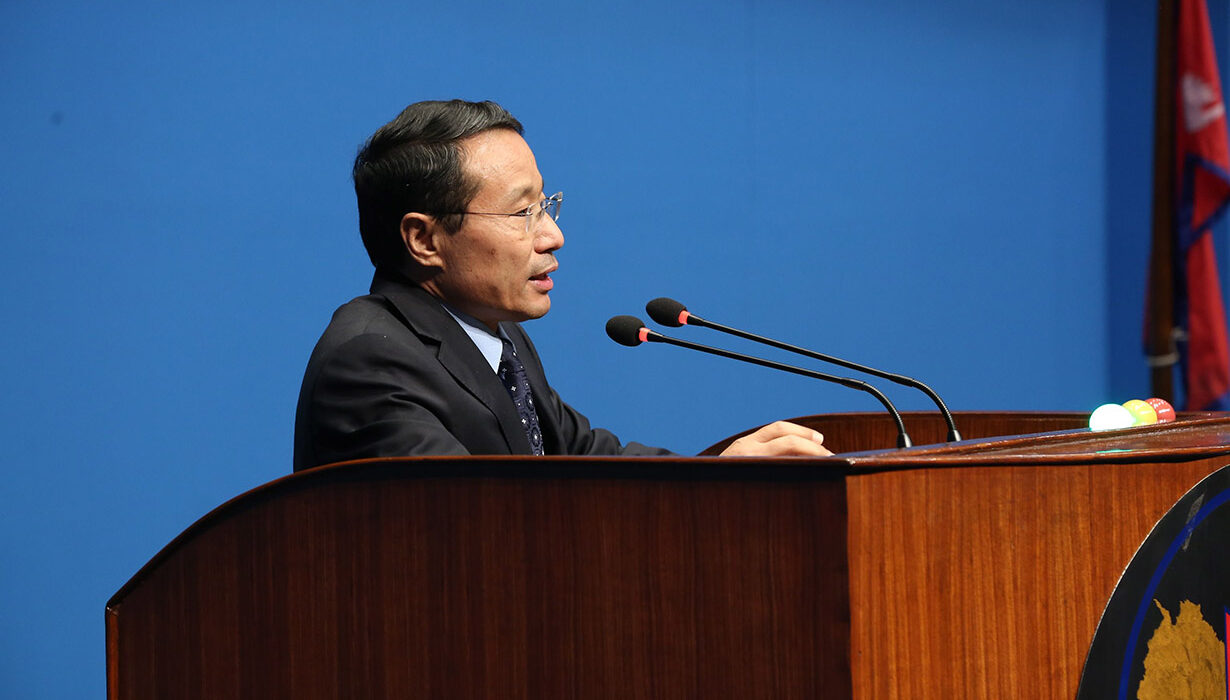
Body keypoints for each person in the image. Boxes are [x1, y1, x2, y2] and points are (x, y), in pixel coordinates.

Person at [293, 100, 831, 471]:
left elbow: (588, 460)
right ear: (424, 239)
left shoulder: (493, 335)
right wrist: (711, 491)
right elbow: (475, 524)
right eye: (522, 212)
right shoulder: (370, 362)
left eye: (545, 204)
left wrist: (722, 471)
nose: (553, 235)